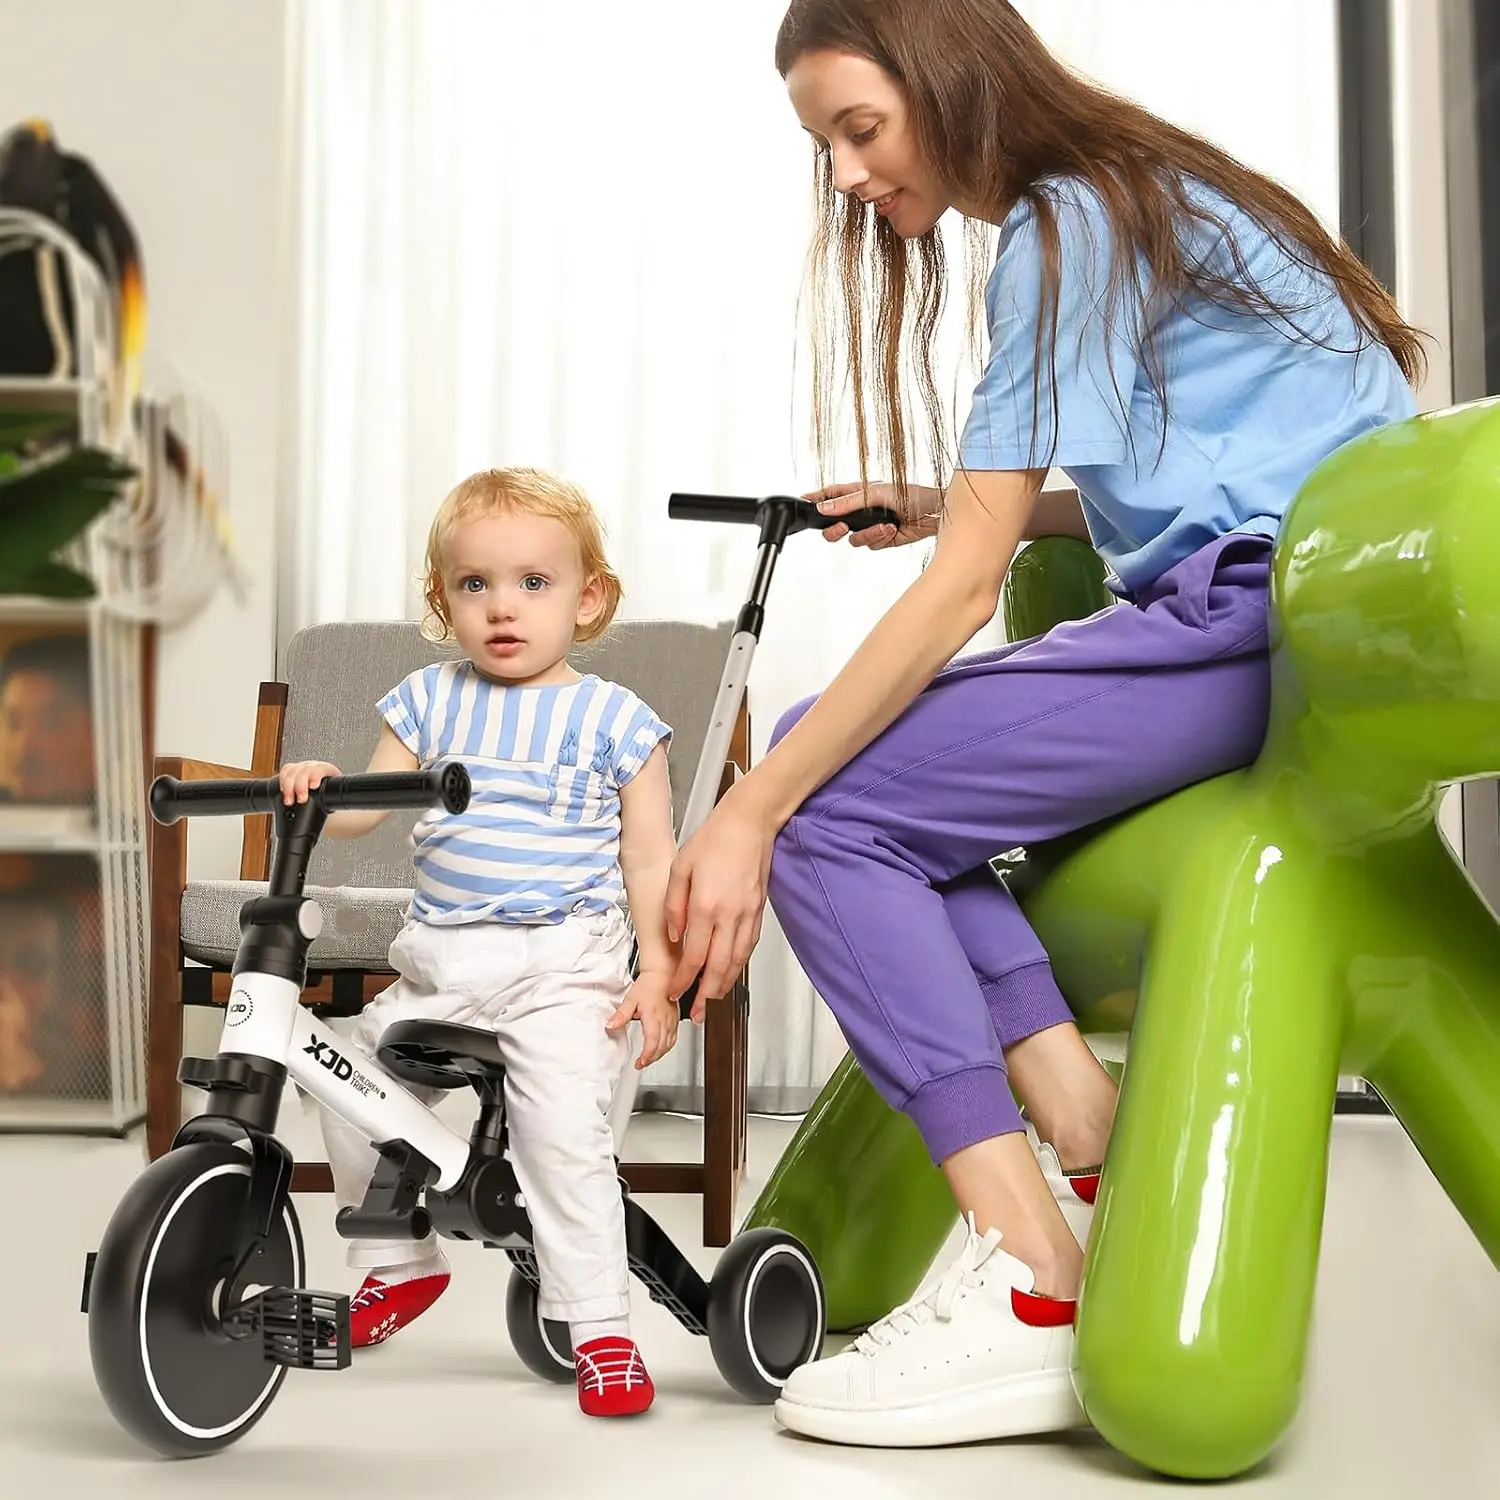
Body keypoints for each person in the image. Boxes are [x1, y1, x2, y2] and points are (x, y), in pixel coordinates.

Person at [662, 0, 1427, 1449]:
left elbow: (967, 588)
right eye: (824, 146)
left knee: (821, 799)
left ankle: (1030, 1272)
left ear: (946, 82)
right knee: (858, 762)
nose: (846, 177)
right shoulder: (1139, 189)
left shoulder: (1066, 224)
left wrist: (743, 813)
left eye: (857, 130)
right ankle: (1077, 1128)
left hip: (1250, 624)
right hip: (1288, 611)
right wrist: (966, 506)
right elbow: (1218, 472)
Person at [279, 467, 679, 1419]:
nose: (503, 607)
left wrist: (658, 974)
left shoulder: (617, 721)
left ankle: (602, 1331)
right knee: (340, 1071)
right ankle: (398, 1259)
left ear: (588, 598)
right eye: (475, 585)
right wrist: (319, 786)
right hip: (440, 961)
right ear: (443, 602)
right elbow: (360, 816)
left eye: (533, 584)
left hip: (562, 968)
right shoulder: (426, 699)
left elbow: (652, 864)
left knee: (562, 1141)